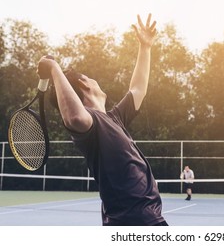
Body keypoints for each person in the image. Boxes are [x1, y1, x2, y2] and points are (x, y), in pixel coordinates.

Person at [37, 14, 168, 226]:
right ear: (85, 85)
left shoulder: (114, 118)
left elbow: (137, 89)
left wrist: (145, 48)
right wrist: (54, 69)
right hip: (134, 222)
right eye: (89, 78)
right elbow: (75, 117)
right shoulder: (92, 124)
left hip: (143, 219)